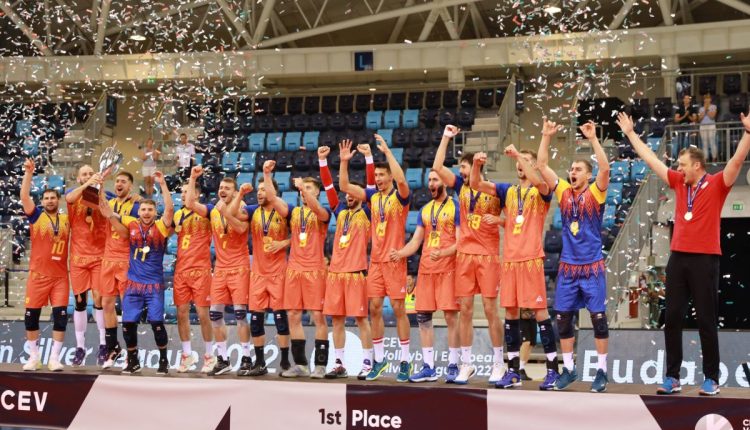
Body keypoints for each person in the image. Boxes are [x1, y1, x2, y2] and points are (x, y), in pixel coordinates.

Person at [617, 111, 750, 396]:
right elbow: (651, 161)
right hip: (678, 258)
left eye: (683, 165)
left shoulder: (717, 184)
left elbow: (737, 162)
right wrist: (630, 134)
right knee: (673, 318)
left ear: (697, 165)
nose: (678, 169)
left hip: (705, 259)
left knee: (706, 321)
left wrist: (748, 134)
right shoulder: (679, 182)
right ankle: (672, 377)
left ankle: (711, 379)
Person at [471, 124, 561, 391]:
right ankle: (512, 371)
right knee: (510, 313)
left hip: (531, 259)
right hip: (509, 261)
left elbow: (539, 180)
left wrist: (521, 157)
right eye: (520, 163)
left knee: (540, 312)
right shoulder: (508, 191)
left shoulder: (542, 191)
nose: (522, 166)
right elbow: (475, 184)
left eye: (528, 162)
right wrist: (476, 165)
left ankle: (553, 370)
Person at [537, 120, 611, 393]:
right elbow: (542, 165)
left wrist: (593, 139)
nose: (572, 172)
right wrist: (546, 136)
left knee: (598, 319)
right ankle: (568, 369)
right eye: (571, 169)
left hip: (592, 267)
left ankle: (602, 371)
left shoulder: (595, 193)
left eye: (578, 169)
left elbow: (605, 168)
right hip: (568, 268)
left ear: (588, 176)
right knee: (563, 319)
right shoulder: (563, 192)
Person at [433, 124, 505, 385]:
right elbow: (437, 166)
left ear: (475, 167)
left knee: (490, 309)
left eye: (463, 167)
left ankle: (499, 363)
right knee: (464, 309)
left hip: (487, 256)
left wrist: (500, 221)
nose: (460, 171)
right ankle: (466, 363)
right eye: (461, 168)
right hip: (464, 255)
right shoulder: (459, 188)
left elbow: (513, 220)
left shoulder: (494, 190)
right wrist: (446, 137)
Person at [340, 134, 412, 382]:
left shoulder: (400, 197)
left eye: (383, 175)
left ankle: (405, 361)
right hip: (377, 263)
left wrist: (388, 153)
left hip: (394, 261)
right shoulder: (373, 198)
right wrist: (344, 161)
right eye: (377, 175)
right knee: (374, 308)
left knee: (400, 309)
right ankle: (379, 361)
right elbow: (345, 186)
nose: (379, 179)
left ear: (389, 177)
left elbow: (402, 180)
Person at [99, 171, 174, 374]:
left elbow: (169, 209)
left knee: (156, 323)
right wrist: (100, 183)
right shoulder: (131, 223)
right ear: (138, 212)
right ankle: (133, 360)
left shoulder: (161, 227)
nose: (146, 212)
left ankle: (164, 360)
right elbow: (109, 211)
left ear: (155, 212)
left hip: (154, 285)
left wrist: (163, 184)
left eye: (150, 209)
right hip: (133, 284)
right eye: (143, 209)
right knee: (128, 323)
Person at [390, 169, 461, 383]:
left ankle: (453, 365)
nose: (431, 183)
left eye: (435, 179)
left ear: (444, 182)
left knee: (450, 317)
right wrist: (400, 253)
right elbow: (416, 241)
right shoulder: (425, 210)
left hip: (448, 268)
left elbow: (461, 242)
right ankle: (429, 367)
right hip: (427, 269)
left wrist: (444, 253)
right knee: (423, 319)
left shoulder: (456, 207)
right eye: (429, 180)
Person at [223, 161, 292, 377]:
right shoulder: (253, 211)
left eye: (264, 189)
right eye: (258, 189)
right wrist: (240, 195)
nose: (260, 193)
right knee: (256, 320)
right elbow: (229, 213)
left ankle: (285, 363)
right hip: (258, 274)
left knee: (280, 319)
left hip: (278, 273)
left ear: (273, 192)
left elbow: (301, 237)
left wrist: (283, 243)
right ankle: (260, 363)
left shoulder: (284, 210)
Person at [185, 168, 252, 376]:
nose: (223, 190)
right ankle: (223, 359)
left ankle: (246, 358)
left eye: (227, 188)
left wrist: (226, 213)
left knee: (240, 314)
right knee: (214, 314)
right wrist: (193, 178)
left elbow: (241, 229)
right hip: (221, 268)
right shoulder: (212, 209)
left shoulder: (243, 207)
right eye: (221, 187)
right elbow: (190, 203)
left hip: (239, 267)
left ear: (235, 192)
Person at [321, 142, 376, 380]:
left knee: (362, 319)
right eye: (347, 194)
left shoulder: (368, 212)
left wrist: (368, 158)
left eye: (353, 193)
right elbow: (328, 186)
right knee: (337, 320)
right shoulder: (340, 211)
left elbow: (371, 185)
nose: (348, 196)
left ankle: (368, 362)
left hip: (355, 274)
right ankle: (339, 363)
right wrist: (328, 161)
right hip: (335, 274)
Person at [273, 174, 330, 379]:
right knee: (293, 315)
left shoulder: (323, 212)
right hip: (294, 269)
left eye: (309, 187)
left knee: (318, 316)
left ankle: (321, 365)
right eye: (302, 187)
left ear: (317, 192)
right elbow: (273, 199)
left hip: (314, 269)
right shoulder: (294, 212)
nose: (304, 190)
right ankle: (300, 364)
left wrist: (302, 189)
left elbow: (317, 209)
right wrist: (268, 175)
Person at [19, 158, 70, 372]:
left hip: (60, 278)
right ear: (42, 201)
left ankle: (54, 358)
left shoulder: (67, 220)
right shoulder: (36, 217)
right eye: (46, 198)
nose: (49, 201)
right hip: (38, 276)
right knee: (31, 318)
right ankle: (34, 357)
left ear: (59, 200)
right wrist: (29, 173)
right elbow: (24, 197)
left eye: (53, 198)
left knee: (60, 318)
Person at [65, 165, 109, 366]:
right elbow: (69, 198)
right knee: (80, 302)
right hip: (78, 259)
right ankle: (80, 347)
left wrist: (100, 186)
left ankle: (103, 344)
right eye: (84, 174)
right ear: (78, 178)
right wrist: (88, 184)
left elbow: (107, 210)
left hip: (99, 257)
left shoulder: (103, 194)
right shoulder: (74, 194)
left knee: (99, 299)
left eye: (91, 173)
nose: (88, 176)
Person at [173, 181, 216, 373]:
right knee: (181, 314)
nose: (183, 195)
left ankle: (209, 355)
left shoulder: (206, 212)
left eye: (187, 191)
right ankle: (187, 355)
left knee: (202, 314)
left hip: (201, 270)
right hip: (181, 270)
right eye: (182, 192)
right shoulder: (178, 215)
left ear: (196, 195)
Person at [100, 171, 141, 369]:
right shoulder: (109, 201)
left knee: (127, 308)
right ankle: (113, 348)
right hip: (108, 259)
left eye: (123, 181)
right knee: (106, 304)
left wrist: (111, 217)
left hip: (126, 260)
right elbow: (93, 196)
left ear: (130, 186)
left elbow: (126, 234)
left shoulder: (136, 206)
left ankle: (132, 355)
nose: (119, 184)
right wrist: (100, 180)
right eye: (117, 181)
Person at [673, 94, 698, 161]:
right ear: (683, 100)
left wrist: (688, 115)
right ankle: (679, 158)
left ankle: (690, 158)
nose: (686, 100)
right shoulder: (679, 108)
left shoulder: (692, 108)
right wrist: (685, 115)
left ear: (690, 100)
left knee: (689, 143)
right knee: (680, 143)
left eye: (688, 98)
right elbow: (676, 119)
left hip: (690, 126)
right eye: (685, 98)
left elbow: (694, 119)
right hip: (681, 126)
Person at [698, 94, 718, 162]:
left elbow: (712, 116)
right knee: (704, 143)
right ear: (704, 100)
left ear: (710, 99)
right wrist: (705, 110)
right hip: (702, 126)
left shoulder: (713, 107)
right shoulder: (701, 108)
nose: (706, 100)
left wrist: (706, 110)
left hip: (711, 126)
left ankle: (714, 158)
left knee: (712, 142)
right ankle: (705, 158)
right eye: (705, 99)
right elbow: (700, 118)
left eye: (708, 98)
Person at [519, 308, 537, 381]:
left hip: (533, 316)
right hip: (522, 315)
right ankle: (519, 368)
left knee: (531, 344)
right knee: (526, 342)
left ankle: (522, 368)